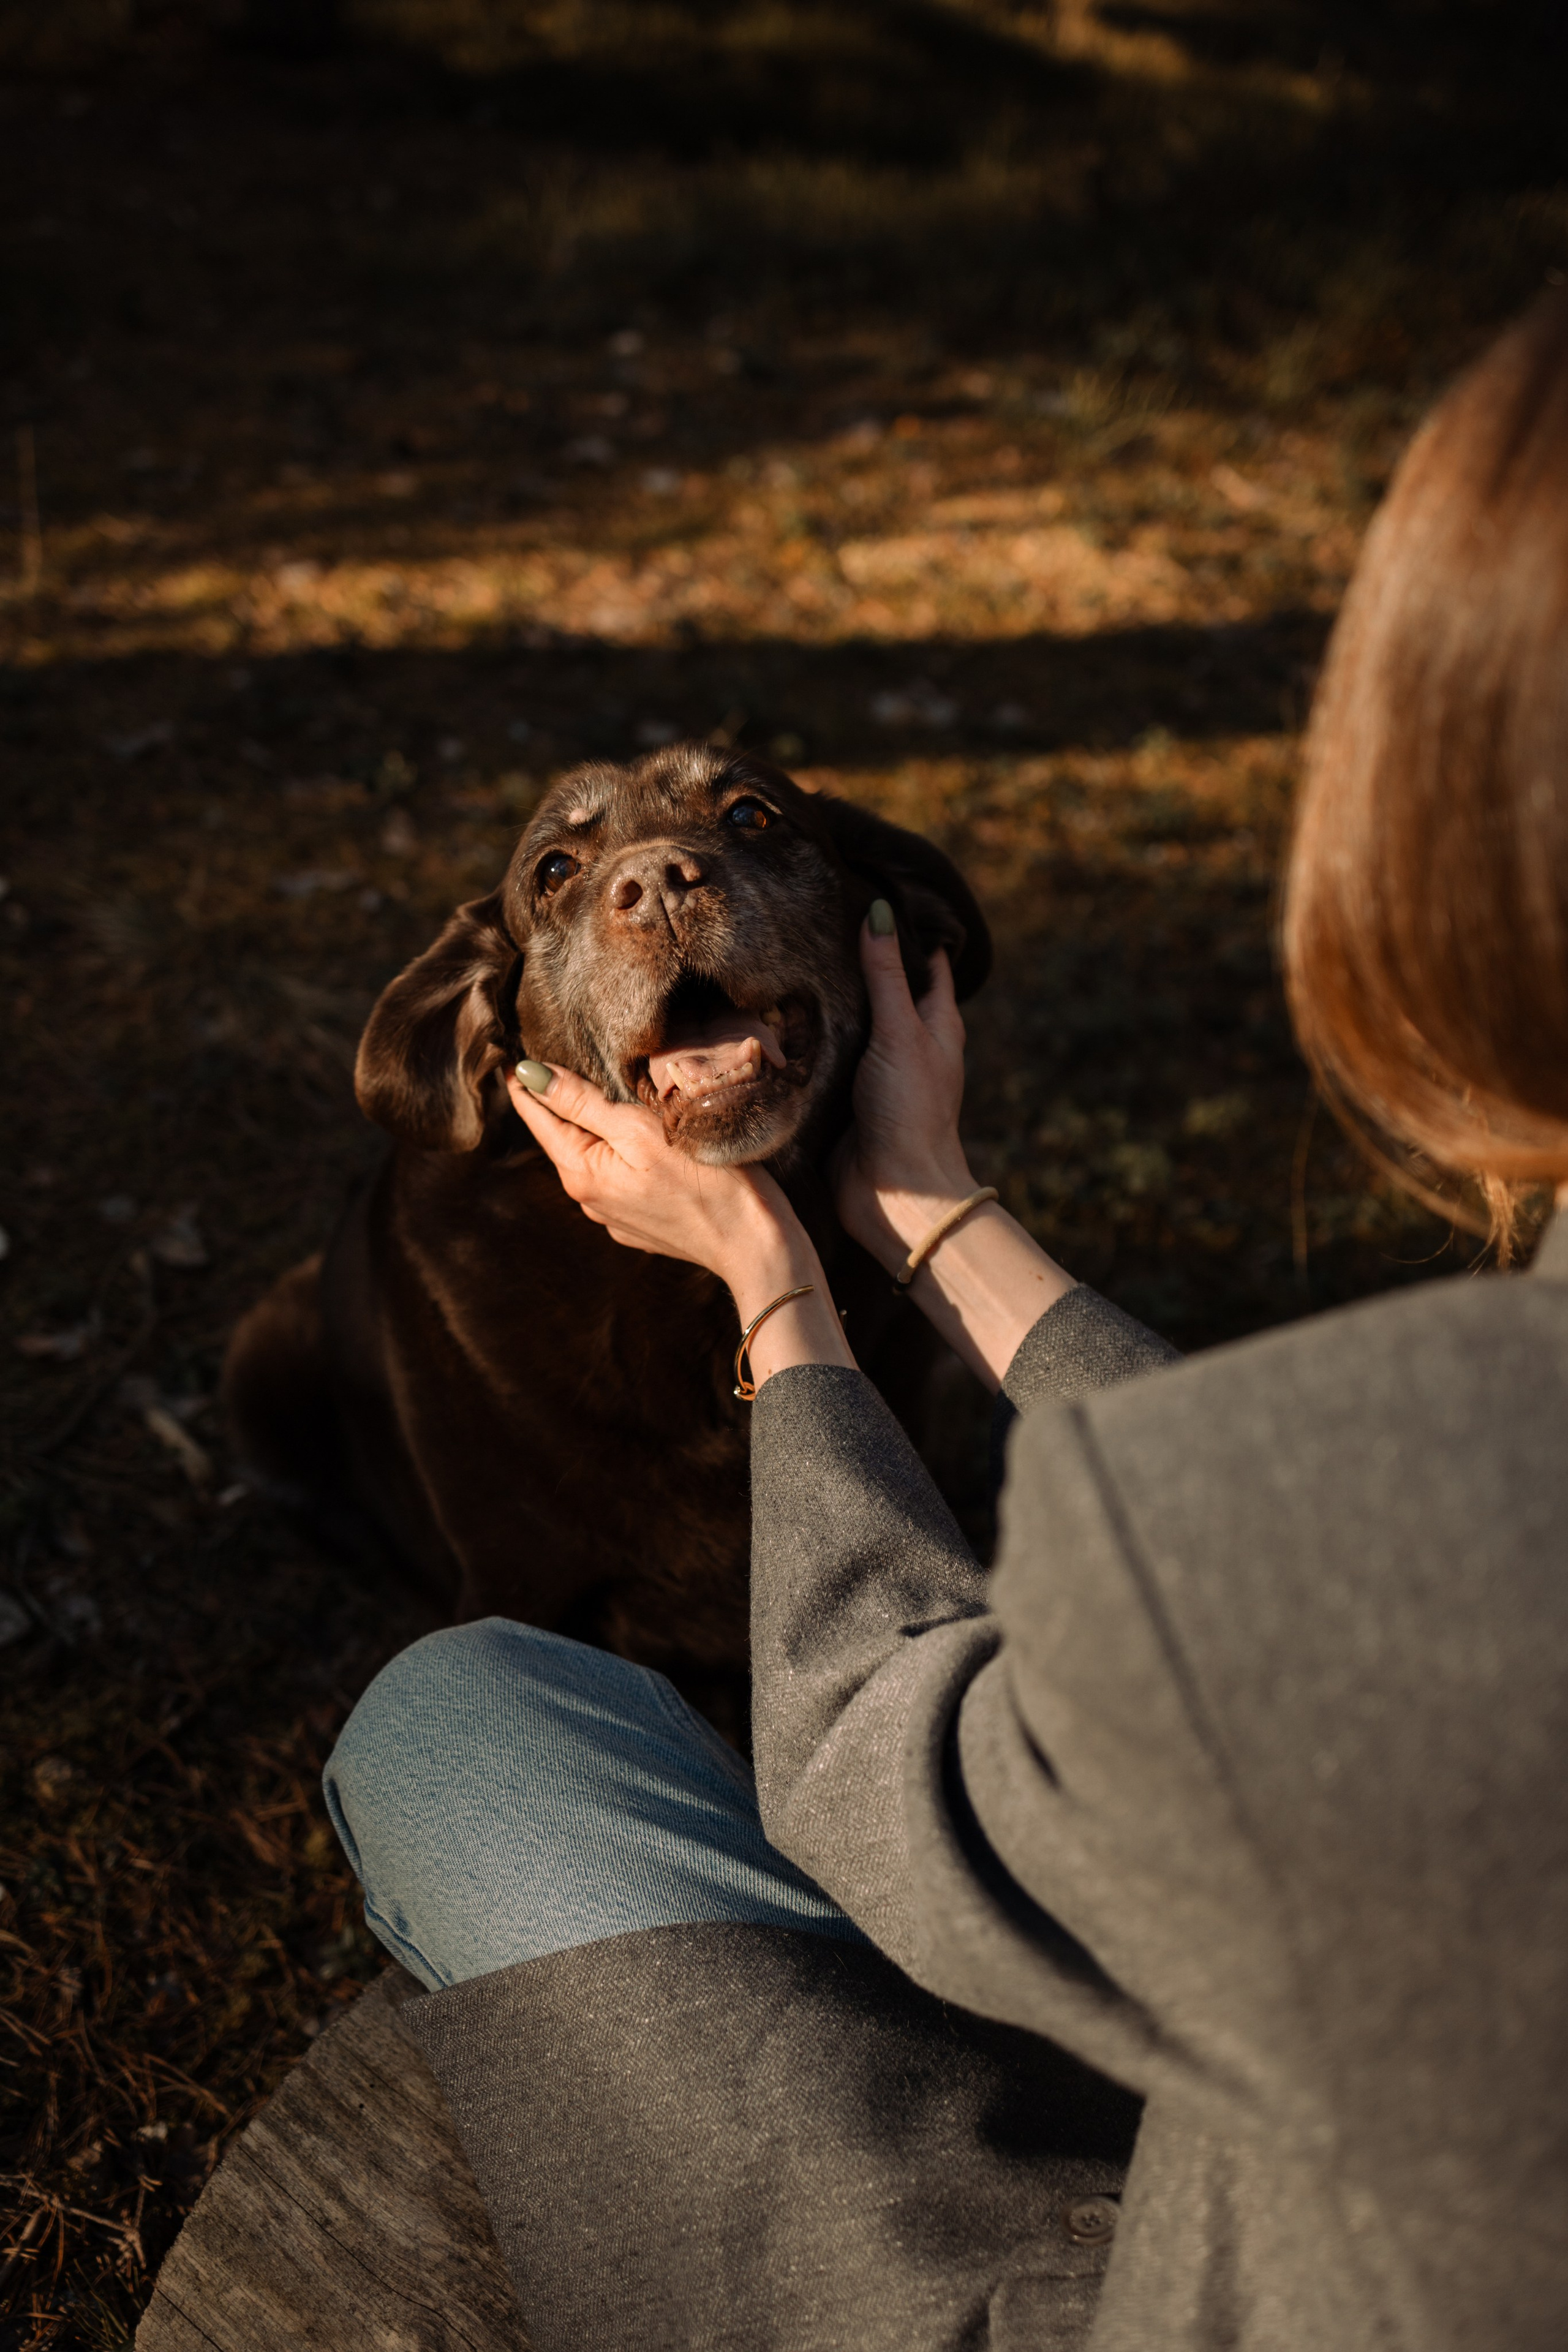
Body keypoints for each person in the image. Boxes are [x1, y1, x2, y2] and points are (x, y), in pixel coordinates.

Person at [323, 294, 1568, 2352]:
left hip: (1161, 2274)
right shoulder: (1478, 1428)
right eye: (587, 873)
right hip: (1320, 2081)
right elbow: (1308, 1624)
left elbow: (900, 1783)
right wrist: (929, 1208)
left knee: (453, 1724)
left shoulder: (1439, 1447)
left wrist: (778, 1282)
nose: (657, 882)